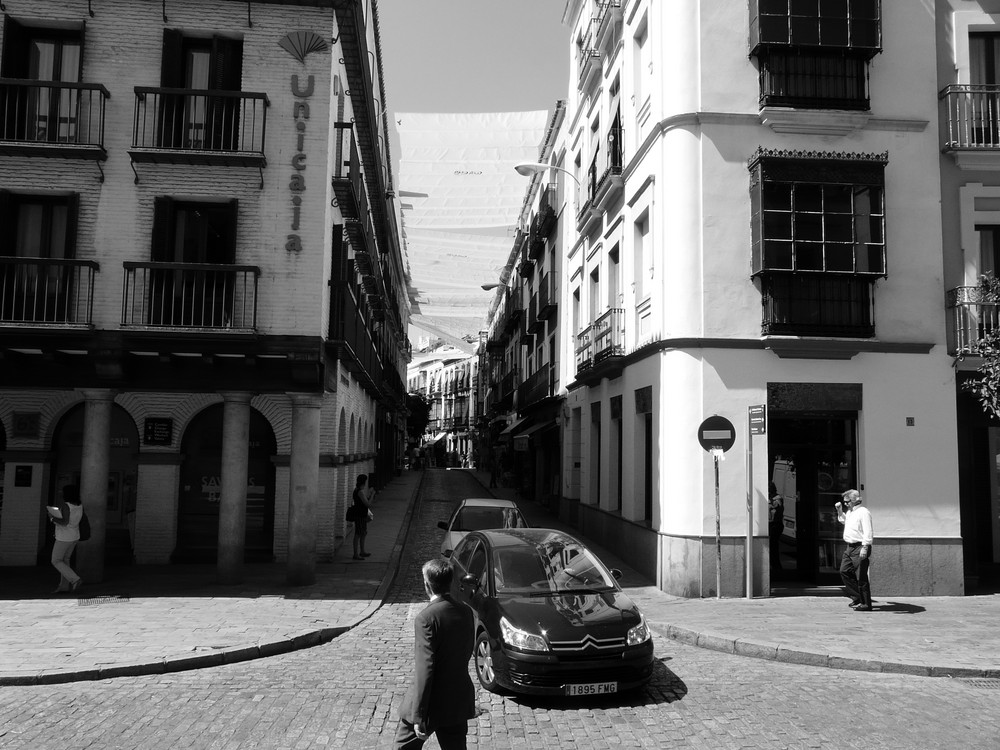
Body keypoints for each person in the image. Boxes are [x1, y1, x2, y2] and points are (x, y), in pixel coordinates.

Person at [394, 559, 476, 749]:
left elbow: (426, 667)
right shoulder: (465, 611)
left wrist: (419, 715)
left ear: (427, 585)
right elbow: (465, 651)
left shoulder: (426, 618)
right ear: (450, 582)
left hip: (430, 704)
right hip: (456, 700)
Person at [835, 488, 874, 611]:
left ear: (855, 501)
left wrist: (865, 546)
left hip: (860, 546)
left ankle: (866, 603)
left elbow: (868, 530)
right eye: (844, 502)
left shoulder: (863, 512)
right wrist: (840, 510)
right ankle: (857, 596)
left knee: (861, 576)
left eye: (847, 501)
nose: (845, 503)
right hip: (850, 547)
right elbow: (843, 521)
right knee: (844, 571)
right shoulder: (850, 512)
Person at [50, 485, 84, 593]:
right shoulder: (79, 505)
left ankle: (75, 579)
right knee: (65, 560)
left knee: (55, 560)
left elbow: (64, 522)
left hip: (64, 537)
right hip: (74, 535)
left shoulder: (66, 506)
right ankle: (64, 586)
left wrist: (52, 518)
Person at [351, 474, 374, 560]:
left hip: (361, 514)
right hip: (360, 514)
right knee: (358, 533)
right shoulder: (359, 491)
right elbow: (368, 504)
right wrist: (372, 495)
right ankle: (356, 554)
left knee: (363, 533)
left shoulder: (357, 490)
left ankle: (362, 551)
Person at [768, 482, 784, 571]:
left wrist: (769, 501)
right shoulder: (771, 498)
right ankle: (774, 565)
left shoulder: (777, 498)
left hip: (775, 524)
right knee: (771, 546)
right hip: (771, 524)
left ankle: (776, 567)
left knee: (773, 546)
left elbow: (775, 506)